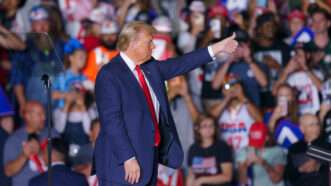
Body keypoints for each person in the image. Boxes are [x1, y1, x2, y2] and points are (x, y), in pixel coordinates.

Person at [94, 21, 238, 185]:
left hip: (149, 160)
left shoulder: (150, 67)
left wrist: (218, 48)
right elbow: (111, 122)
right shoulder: (109, 74)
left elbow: (182, 63)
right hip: (121, 165)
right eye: (149, 41)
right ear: (132, 43)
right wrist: (128, 158)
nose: (154, 46)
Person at [3, 101, 58, 186]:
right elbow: (8, 172)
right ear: (28, 117)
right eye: (40, 114)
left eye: (44, 114)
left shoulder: (53, 134)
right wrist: (24, 155)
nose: (44, 118)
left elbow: (62, 162)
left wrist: (41, 152)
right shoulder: (14, 140)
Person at [186, 116, 233, 186]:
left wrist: (201, 180)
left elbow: (227, 177)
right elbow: (191, 175)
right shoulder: (193, 149)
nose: (208, 129)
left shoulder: (222, 147)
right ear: (198, 129)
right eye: (204, 126)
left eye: (211, 125)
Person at [237, 122, 286, 186]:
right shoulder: (244, 151)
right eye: (253, 141)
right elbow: (242, 181)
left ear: (267, 137)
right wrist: (245, 165)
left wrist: (264, 163)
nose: (255, 146)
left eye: (258, 141)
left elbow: (276, 179)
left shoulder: (277, 151)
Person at [285, 114, 329, 186]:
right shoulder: (295, 148)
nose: (316, 127)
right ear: (302, 128)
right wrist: (301, 169)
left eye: (317, 124)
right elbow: (289, 175)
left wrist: (318, 165)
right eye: (311, 125)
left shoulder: (326, 146)